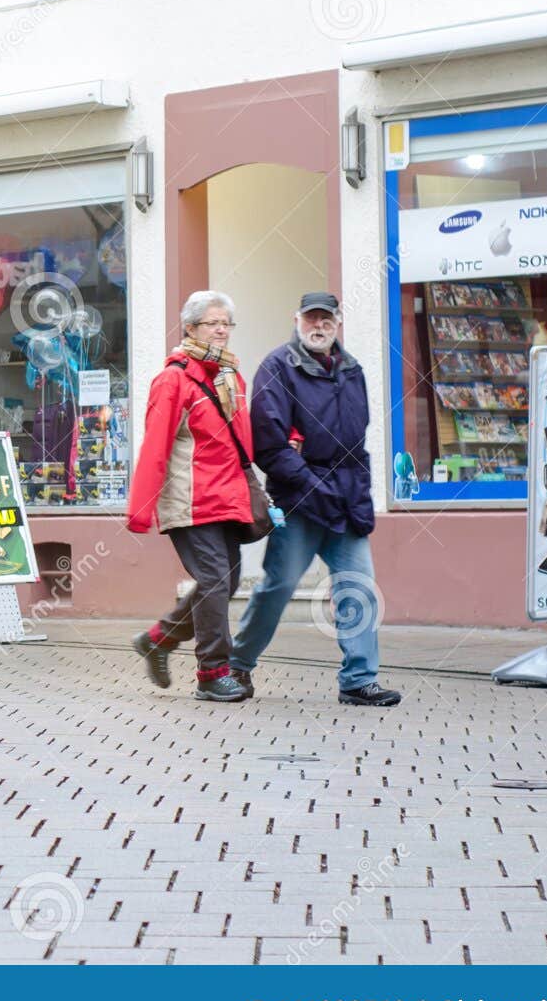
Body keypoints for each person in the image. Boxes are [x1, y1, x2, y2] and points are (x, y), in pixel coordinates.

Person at [229, 292, 402, 707]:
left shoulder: (352, 369)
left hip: (345, 501)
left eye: (326, 319)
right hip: (300, 502)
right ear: (297, 320)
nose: (318, 326)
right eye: (311, 319)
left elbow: (357, 443)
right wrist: (312, 486)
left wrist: (359, 497)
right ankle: (238, 664)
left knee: (358, 588)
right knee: (279, 585)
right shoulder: (277, 367)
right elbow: (269, 446)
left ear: (338, 323)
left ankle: (359, 680)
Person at [126, 291, 254, 703]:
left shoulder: (231, 377)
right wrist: (141, 509)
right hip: (190, 499)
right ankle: (212, 673)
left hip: (228, 498)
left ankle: (159, 639)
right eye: (211, 323)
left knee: (225, 582)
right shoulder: (173, 379)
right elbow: (156, 445)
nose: (220, 329)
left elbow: (243, 441)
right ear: (191, 328)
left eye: (226, 323)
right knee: (215, 581)